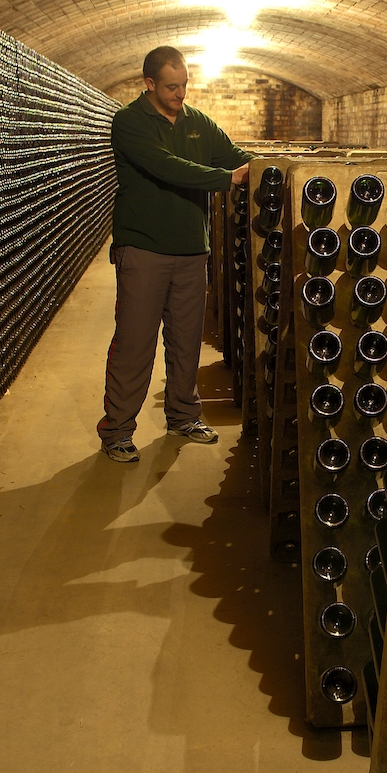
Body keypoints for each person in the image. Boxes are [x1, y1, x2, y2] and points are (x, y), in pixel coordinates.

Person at [97, 45, 251, 461]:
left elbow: (239, 159)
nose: (180, 94)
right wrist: (227, 178)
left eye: (184, 85)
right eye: (171, 87)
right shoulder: (130, 122)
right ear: (149, 84)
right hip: (144, 249)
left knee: (185, 342)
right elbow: (166, 167)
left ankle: (183, 416)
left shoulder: (197, 123)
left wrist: (276, 167)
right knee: (134, 342)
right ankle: (117, 431)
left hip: (190, 251)